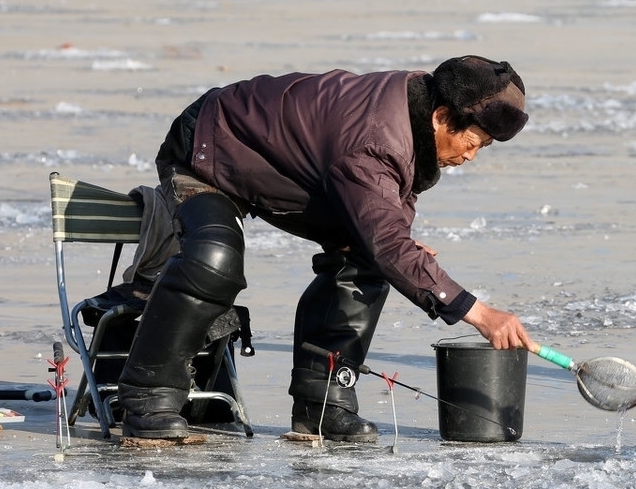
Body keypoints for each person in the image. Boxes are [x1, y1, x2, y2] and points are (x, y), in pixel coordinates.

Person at [116, 55, 537, 443]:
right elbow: (388, 238)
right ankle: (147, 397)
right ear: (442, 117)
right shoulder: (376, 141)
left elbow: (388, 229)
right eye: (475, 143)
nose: (472, 156)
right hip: (207, 148)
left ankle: (324, 401)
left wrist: (393, 249)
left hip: (283, 172)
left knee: (372, 259)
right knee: (215, 259)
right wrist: (478, 312)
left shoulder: (414, 114)